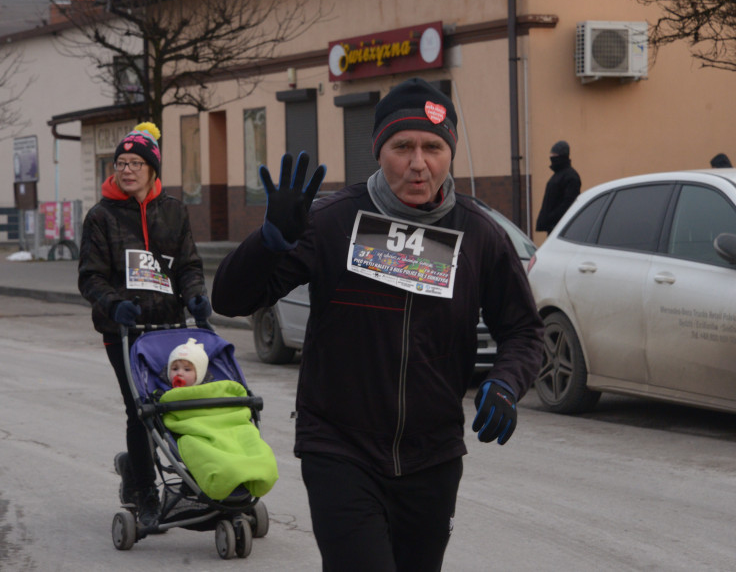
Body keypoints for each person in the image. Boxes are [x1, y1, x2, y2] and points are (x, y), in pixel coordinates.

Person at [211, 77, 544, 571]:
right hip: (340, 449)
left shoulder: (479, 236)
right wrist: (270, 241)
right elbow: (232, 298)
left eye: (433, 147)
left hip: (432, 456)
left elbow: (524, 330)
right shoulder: (333, 221)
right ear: (377, 150)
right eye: (402, 146)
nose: (418, 162)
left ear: (449, 152)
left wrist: (506, 382)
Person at [77, 121, 212, 528]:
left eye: (136, 162)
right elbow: (90, 276)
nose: (127, 170)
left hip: (170, 327)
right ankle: (144, 490)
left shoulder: (172, 212)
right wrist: (113, 304)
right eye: (121, 163)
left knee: (182, 406)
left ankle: (192, 483)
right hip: (123, 330)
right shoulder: (100, 216)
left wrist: (195, 296)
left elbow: (187, 264)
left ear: (153, 170)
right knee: (141, 411)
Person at [157, 338, 278, 501]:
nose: (179, 373)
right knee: (198, 448)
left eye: (187, 369)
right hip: (195, 434)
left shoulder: (214, 391)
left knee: (248, 437)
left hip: (228, 428)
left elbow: (232, 415)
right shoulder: (164, 395)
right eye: (174, 368)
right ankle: (225, 475)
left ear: (199, 374)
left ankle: (252, 470)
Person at [535, 139, 581, 235]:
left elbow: (568, 203)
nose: (551, 158)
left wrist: (550, 217)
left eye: (554, 155)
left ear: (561, 156)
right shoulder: (559, 175)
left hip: (560, 228)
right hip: (554, 226)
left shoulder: (570, 176)